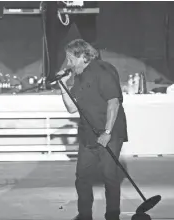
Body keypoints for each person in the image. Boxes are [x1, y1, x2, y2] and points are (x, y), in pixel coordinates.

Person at [57, 39, 128, 220]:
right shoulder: (79, 75)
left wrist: (107, 132)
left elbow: (114, 102)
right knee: (82, 177)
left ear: (82, 56)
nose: (68, 63)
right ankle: (84, 215)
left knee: (109, 176)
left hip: (109, 133)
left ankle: (112, 215)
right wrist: (62, 85)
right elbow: (72, 108)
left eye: (70, 58)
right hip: (88, 134)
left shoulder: (103, 70)